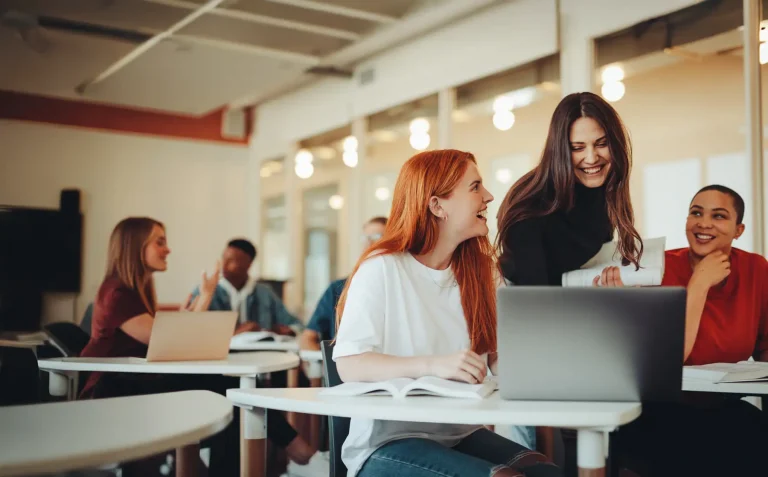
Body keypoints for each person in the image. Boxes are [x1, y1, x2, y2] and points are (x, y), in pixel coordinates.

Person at [333, 149, 562, 477]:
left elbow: (494, 359)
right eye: (475, 187)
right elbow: (349, 363)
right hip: (387, 444)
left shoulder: (481, 273)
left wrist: (548, 366)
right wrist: (433, 365)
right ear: (437, 205)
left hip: (460, 433)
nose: (488, 196)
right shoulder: (381, 267)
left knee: (549, 473)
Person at [79, 218, 311, 475]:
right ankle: (299, 450)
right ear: (135, 246)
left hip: (137, 382)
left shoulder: (134, 292)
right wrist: (205, 299)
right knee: (232, 392)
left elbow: (173, 337)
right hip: (113, 391)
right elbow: (168, 340)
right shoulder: (117, 294)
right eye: (160, 242)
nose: (167, 249)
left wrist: (202, 300)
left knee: (231, 398)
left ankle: (296, 450)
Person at [608, 185, 768, 477]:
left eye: (718, 216)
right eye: (696, 213)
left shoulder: (756, 269)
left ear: (738, 229)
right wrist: (699, 284)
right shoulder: (655, 269)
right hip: (658, 409)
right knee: (692, 447)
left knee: (752, 430)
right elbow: (667, 359)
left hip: (722, 408)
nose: (703, 223)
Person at [496, 91, 643, 287]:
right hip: (531, 308)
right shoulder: (530, 210)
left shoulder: (601, 191)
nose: (591, 158)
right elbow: (535, 305)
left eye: (602, 144)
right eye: (577, 148)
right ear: (560, 150)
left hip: (569, 303)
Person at [299, 216, 387, 351]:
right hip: (342, 367)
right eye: (365, 238)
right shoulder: (337, 288)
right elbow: (307, 337)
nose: (368, 244)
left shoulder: (398, 287)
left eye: (376, 237)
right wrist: (325, 365)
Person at [188, 238, 302, 336]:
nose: (224, 264)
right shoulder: (206, 292)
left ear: (248, 264)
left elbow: (296, 325)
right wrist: (238, 332)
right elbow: (194, 334)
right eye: (224, 258)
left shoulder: (265, 293)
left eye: (231, 260)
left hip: (260, 357)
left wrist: (287, 330)